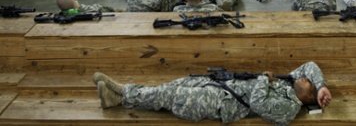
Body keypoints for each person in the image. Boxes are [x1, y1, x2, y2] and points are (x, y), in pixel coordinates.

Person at [93, 61, 332, 124]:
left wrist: (262, 78)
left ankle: (122, 92)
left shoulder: (290, 108)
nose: (305, 77)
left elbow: (259, 103)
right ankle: (116, 97)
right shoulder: (293, 81)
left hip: (221, 103)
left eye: (309, 83)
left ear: (307, 98)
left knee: (170, 97)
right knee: (173, 85)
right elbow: (310, 65)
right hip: (223, 85)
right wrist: (321, 86)